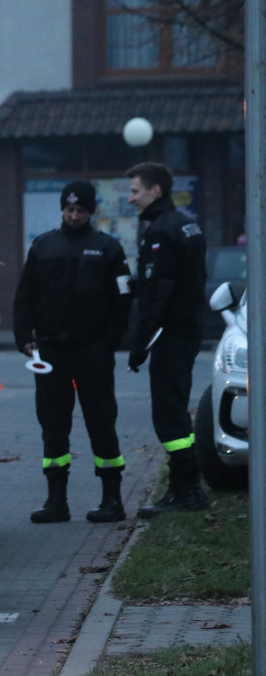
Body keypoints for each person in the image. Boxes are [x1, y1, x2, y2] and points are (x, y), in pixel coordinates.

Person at [13, 180, 133, 524]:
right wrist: (25, 339)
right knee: (53, 426)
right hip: (50, 352)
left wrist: (110, 341)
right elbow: (25, 298)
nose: (74, 215)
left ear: (90, 212)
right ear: (62, 209)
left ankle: (112, 499)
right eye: (69, 209)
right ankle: (56, 501)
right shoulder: (43, 246)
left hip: (93, 350)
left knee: (101, 423)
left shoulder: (108, 249)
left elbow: (123, 300)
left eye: (80, 210)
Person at [125, 162, 208, 517]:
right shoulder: (186, 224)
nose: (130, 199)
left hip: (171, 335)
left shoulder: (160, 231)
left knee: (169, 415)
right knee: (175, 410)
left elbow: (158, 292)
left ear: (155, 191)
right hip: (186, 329)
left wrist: (139, 342)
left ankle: (185, 490)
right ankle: (187, 486)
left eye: (135, 191)